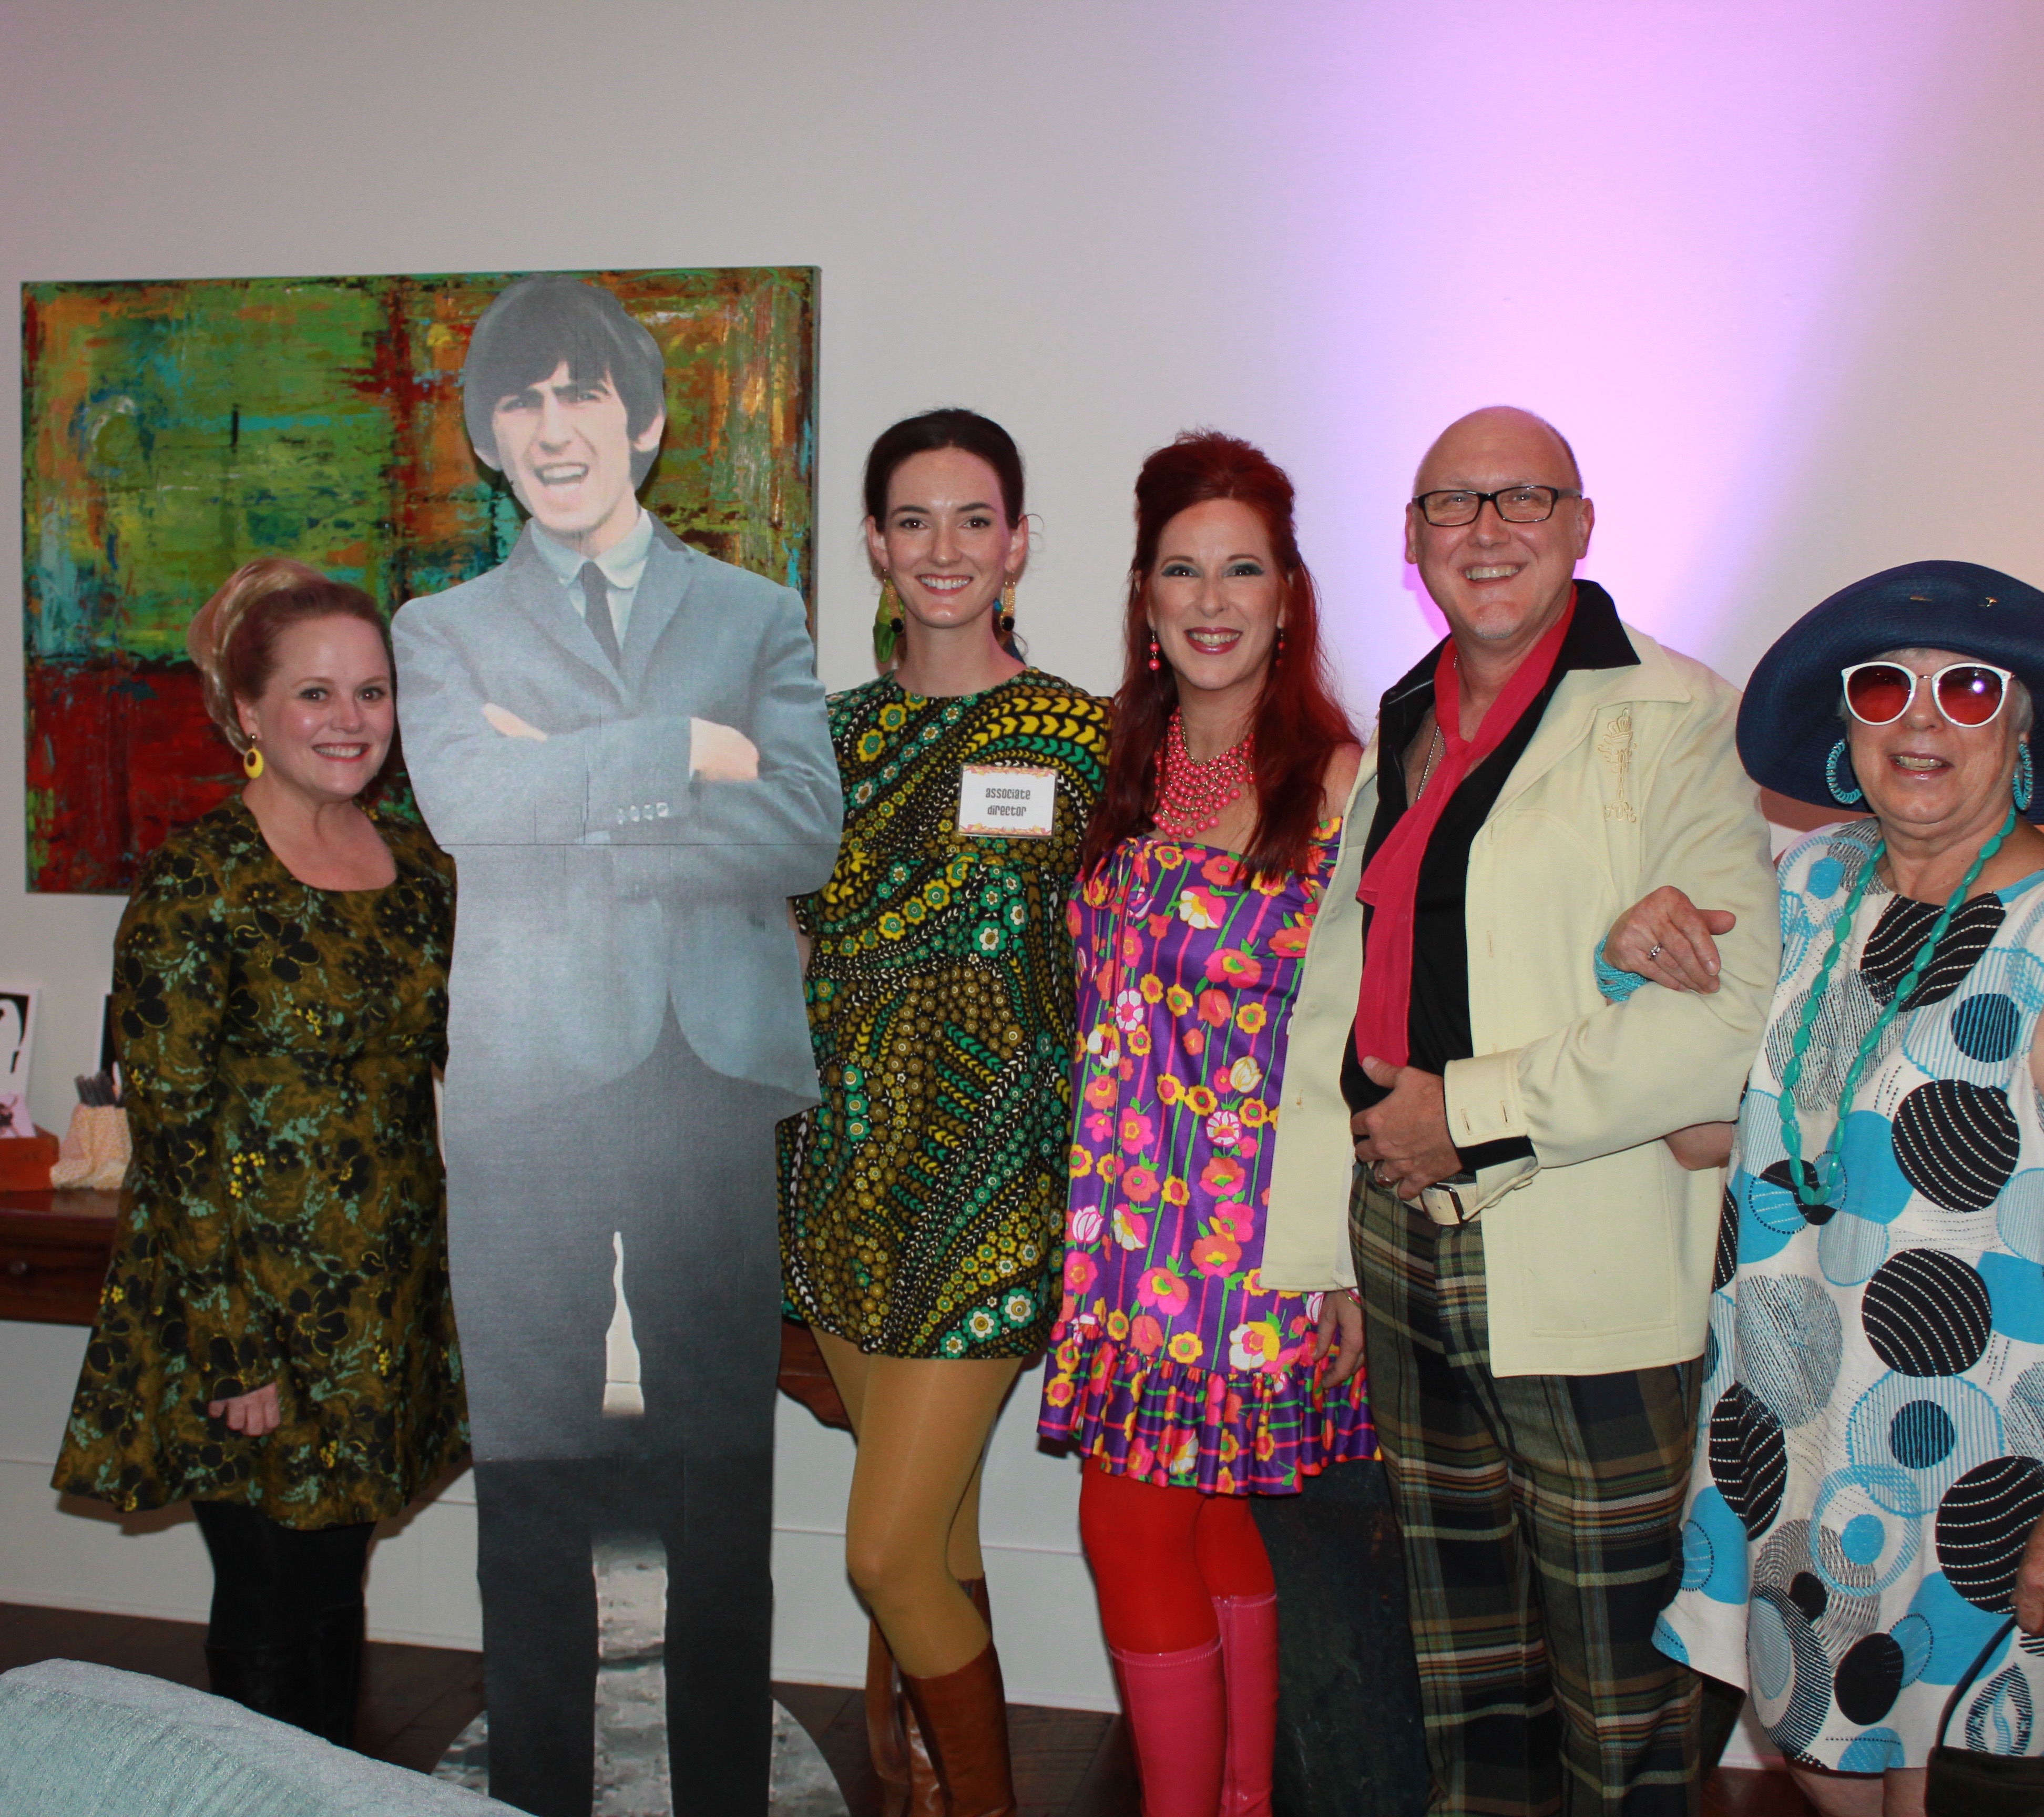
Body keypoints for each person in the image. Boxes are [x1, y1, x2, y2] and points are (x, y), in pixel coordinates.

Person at [1260, 406, 1781, 1814]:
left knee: (1622, 1671)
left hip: (1576, 1230)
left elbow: (1721, 1026)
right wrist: (1325, 1246)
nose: (1486, 531)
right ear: (1411, 539)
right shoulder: (1405, 717)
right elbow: (1339, 987)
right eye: (1452, 504)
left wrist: (1471, 1113)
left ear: (1583, 524)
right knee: (1465, 1652)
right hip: (1402, 1233)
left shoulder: (1675, 716)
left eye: (1523, 499)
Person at [391, 275, 841, 1817]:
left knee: (720, 1487)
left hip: (706, 1092)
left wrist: (581, 797)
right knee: (532, 1484)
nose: (552, 427)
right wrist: (683, 755)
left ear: (642, 422)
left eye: (582, 393)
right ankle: (537, 1795)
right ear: (489, 439)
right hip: (526, 1106)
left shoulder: (755, 614)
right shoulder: (442, 631)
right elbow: (471, 809)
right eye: (520, 402)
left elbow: (804, 828)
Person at [1647, 561, 2044, 1817]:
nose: (1922, 720)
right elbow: (1704, 1135)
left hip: (1985, 1485)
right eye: (1885, 688)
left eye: (1969, 689)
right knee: (1822, 1762)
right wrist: (1647, 962)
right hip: (1796, 1448)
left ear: (2020, 727)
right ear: (1846, 728)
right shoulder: (1810, 887)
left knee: (1955, 1788)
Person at [53, 557, 466, 1745]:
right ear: (247, 710)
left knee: (333, 1587)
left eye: (372, 693)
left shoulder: (420, 869)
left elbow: (474, 1052)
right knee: (275, 1602)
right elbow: (175, 1141)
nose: (350, 721)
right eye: (314, 694)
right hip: (250, 1308)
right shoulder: (199, 883)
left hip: (382, 1301)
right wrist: (236, 1352)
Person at [1036, 432, 1374, 1817]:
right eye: (1183, 570)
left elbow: (1382, 1033)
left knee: (1127, 1528)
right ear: (1145, 596)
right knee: (1211, 1522)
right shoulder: (1124, 764)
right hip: (1123, 1232)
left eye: (1243, 569)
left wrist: (1347, 1256)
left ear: (1288, 596)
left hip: (1247, 1240)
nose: (1212, 599)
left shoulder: (1344, 784)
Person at [778, 407, 1108, 1817]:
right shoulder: (826, 738)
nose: (945, 549)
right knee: (941, 1537)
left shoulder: (1083, 738)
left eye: (975, 519)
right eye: (913, 520)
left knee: (883, 1553)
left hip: (994, 1190)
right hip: (843, 1183)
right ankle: (928, 1791)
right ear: (874, 543)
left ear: (1018, 543)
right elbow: (786, 945)